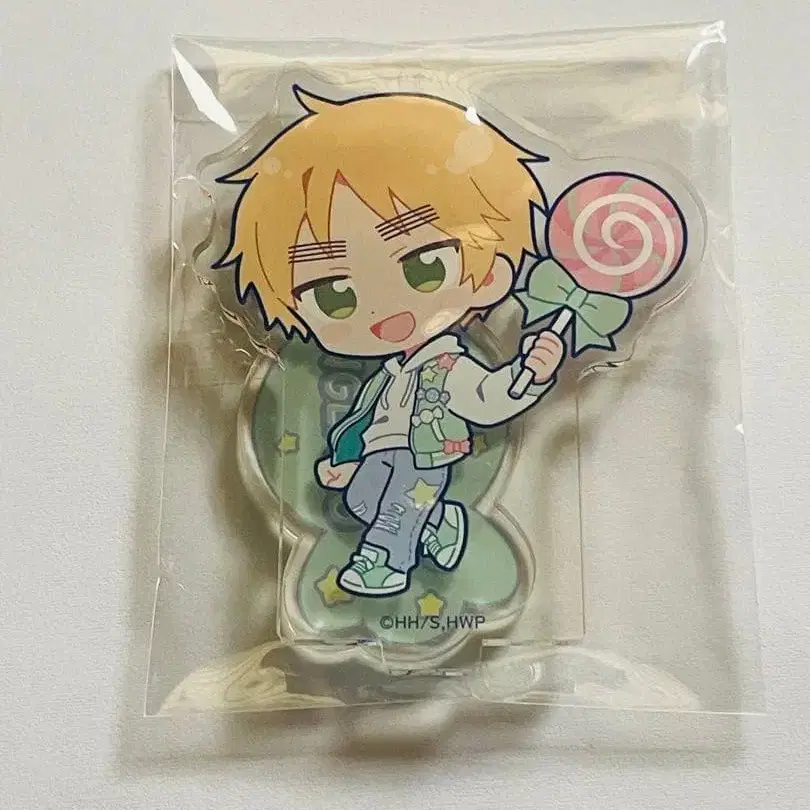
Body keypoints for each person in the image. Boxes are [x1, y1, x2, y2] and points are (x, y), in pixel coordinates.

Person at [215, 88, 564, 596]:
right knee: (362, 501)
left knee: (398, 509)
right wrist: (348, 459)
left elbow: (488, 399)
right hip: (383, 452)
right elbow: (368, 415)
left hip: (424, 457)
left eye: (424, 267)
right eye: (335, 295)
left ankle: (384, 563)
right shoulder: (390, 372)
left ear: (489, 273)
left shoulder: (449, 366)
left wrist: (529, 373)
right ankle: (441, 523)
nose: (385, 312)